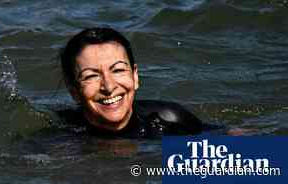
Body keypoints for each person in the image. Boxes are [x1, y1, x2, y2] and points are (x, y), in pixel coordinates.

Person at [57, 27, 204, 138]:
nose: (109, 87)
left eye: (118, 70)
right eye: (91, 76)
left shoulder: (170, 120)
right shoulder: (62, 142)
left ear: (135, 76)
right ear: (73, 91)